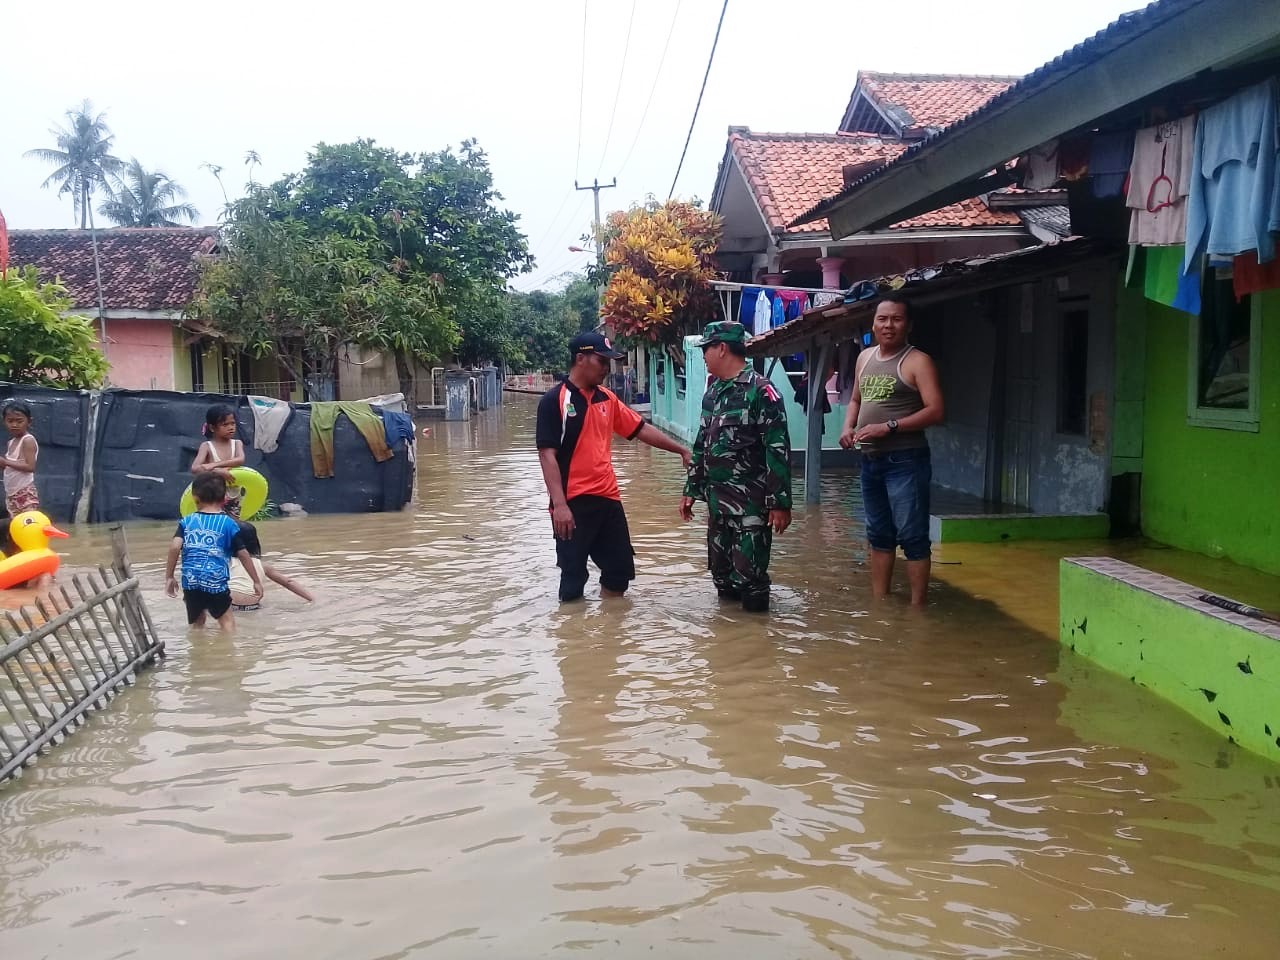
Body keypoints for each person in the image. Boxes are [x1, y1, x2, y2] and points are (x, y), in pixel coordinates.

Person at [536, 331, 691, 602]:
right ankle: (574, 637)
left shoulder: (607, 398)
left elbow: (640, 429)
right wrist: (559, 506)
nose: (607, 368)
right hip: (572, 503)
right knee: (573, 580)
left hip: (608, 499)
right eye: (601, 361)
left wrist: (680, 449)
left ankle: (612, 633)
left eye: (609, 362)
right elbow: (547, 455)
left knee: (619, 573)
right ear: (580, 359)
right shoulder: (555, 401)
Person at [838, 296, 945, 606]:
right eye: (882, 319)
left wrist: (890, 427)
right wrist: (847, 427)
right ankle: (880, 603)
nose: (888, 325)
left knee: (913, 536)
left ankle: (917, 609)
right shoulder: (864, 358)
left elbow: (937, 411)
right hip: (870, 460)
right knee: (879, 535)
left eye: (896, 319)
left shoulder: (917, 361)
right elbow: (856, 400)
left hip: (906, 460)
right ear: (873, 323)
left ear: (908, 325)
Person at [680, 321, 793, 612]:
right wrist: (691, 488)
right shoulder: (713, 393)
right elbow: (702, 442)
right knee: (721, 577)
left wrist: (779, 503)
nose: (703, 355)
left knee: (751, 580)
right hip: (719, 507)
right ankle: (727, 645)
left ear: (721, 348)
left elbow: (777, 449)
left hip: (751, 508)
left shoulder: (762, 392)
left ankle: (758, 647)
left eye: (706, 348)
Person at [165, 473, 263, 629]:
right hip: (215, 582)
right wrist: (256, 581)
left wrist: (169, 577)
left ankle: (198, 651)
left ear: (195, 498)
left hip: (191, 582)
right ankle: (227, 652)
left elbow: (175, 547)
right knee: (227, 621)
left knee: (197, 623)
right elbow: (243, 554)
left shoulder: (186, 522)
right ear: (224, 499)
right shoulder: (228, 524)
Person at [228, 520, 315, 610]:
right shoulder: (263, 566)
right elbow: (288, 582)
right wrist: (312, 599)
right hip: (252, 606)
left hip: (228, 605)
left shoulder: (226, 561)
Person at [191, 404, 246, 518]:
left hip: (233, 497)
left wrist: (213, 465)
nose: (231, 427)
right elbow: (195, 468)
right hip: (212, 497)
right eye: (225, 424)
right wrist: (217, 472)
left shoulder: (237, 444)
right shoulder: (206, 446)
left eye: (233, 423)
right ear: (212, 428)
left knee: (232, 527)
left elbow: (240, 459)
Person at [1, 400, 40, 518]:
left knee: (28, 525)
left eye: (19, 421)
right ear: (4, 422)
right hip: (12, 494)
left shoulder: (28, 440)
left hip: (25, 492)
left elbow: (30, 467)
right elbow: (10, 467)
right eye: (10, 421)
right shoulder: (11, 442)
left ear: (29, 422)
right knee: (16, 527)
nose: (14, 425)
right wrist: (3, 465)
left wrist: (5, 462)